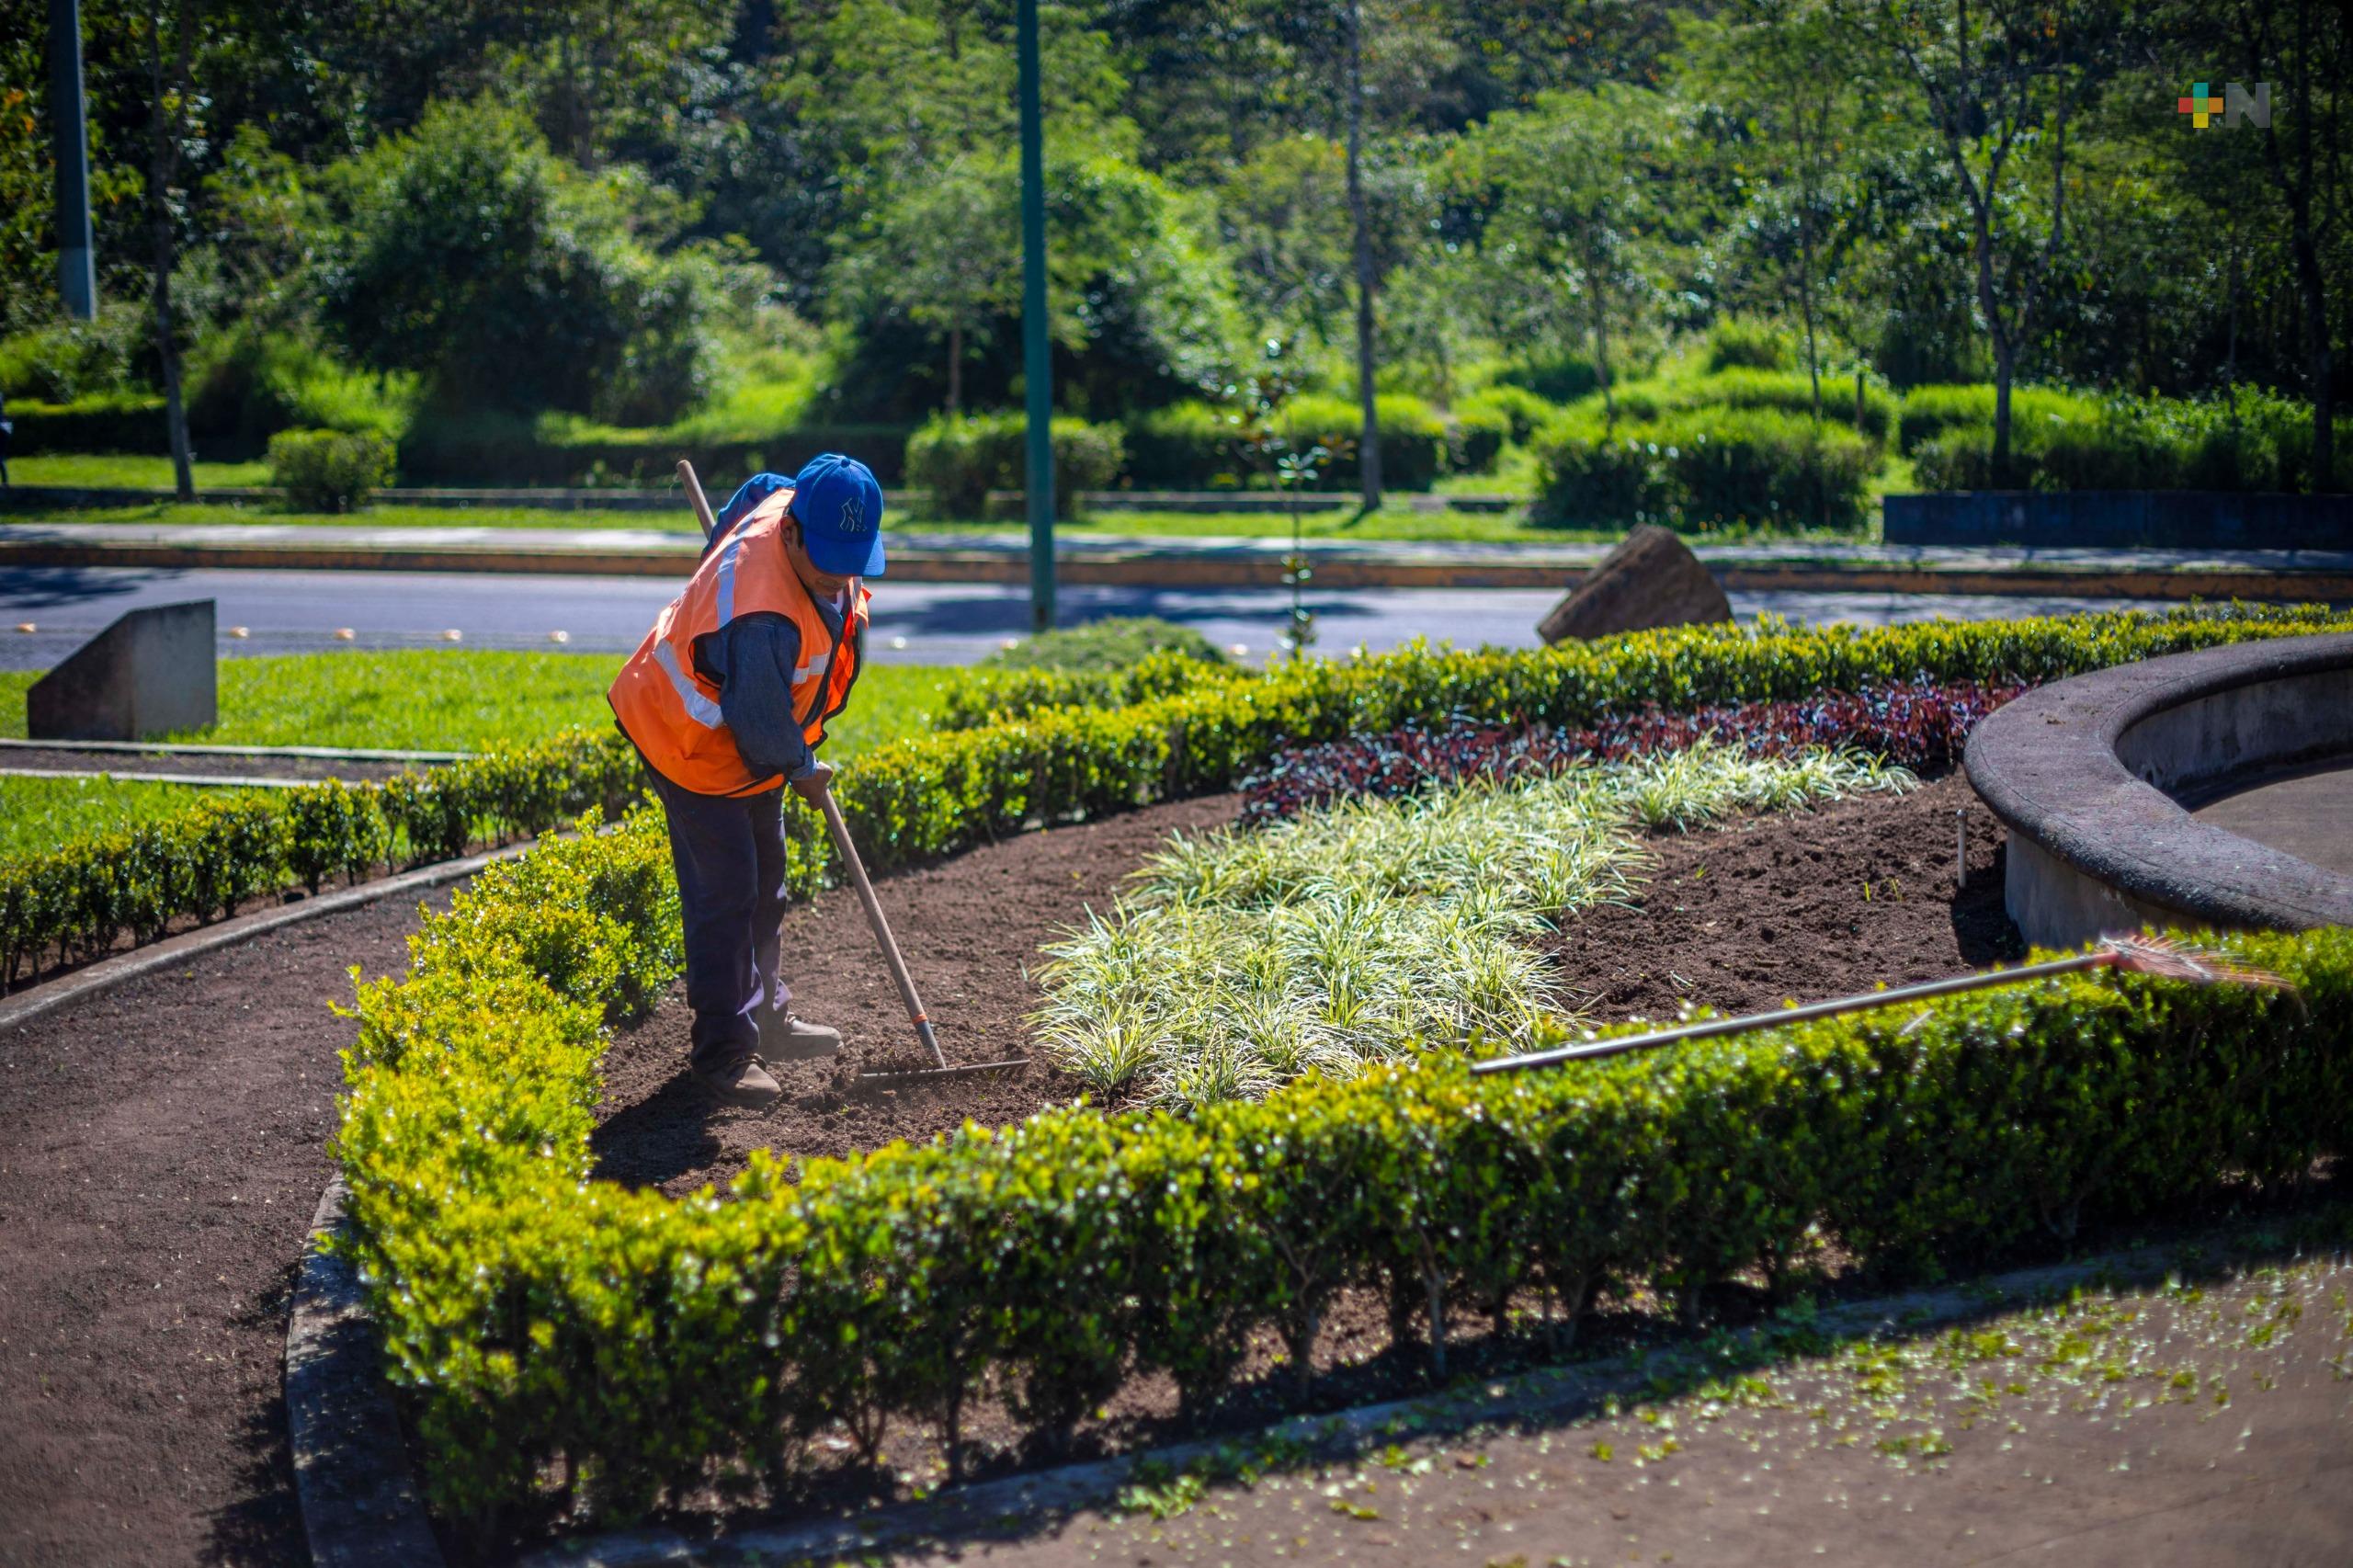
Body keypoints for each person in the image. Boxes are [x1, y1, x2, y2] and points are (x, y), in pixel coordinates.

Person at [608, 453, 884, 1108]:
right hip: (688, 738)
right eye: (828, 560)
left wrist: (714, 557)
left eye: (855, 558)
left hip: (748, 736)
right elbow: (759, 726)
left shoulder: (790, 504)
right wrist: (802, 768)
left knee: (769, 877)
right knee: (727, 892)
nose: (841, 576)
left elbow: (761, 487)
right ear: (789, 533)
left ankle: (767, 1017)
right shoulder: (759, 619)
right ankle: (724, 1052)